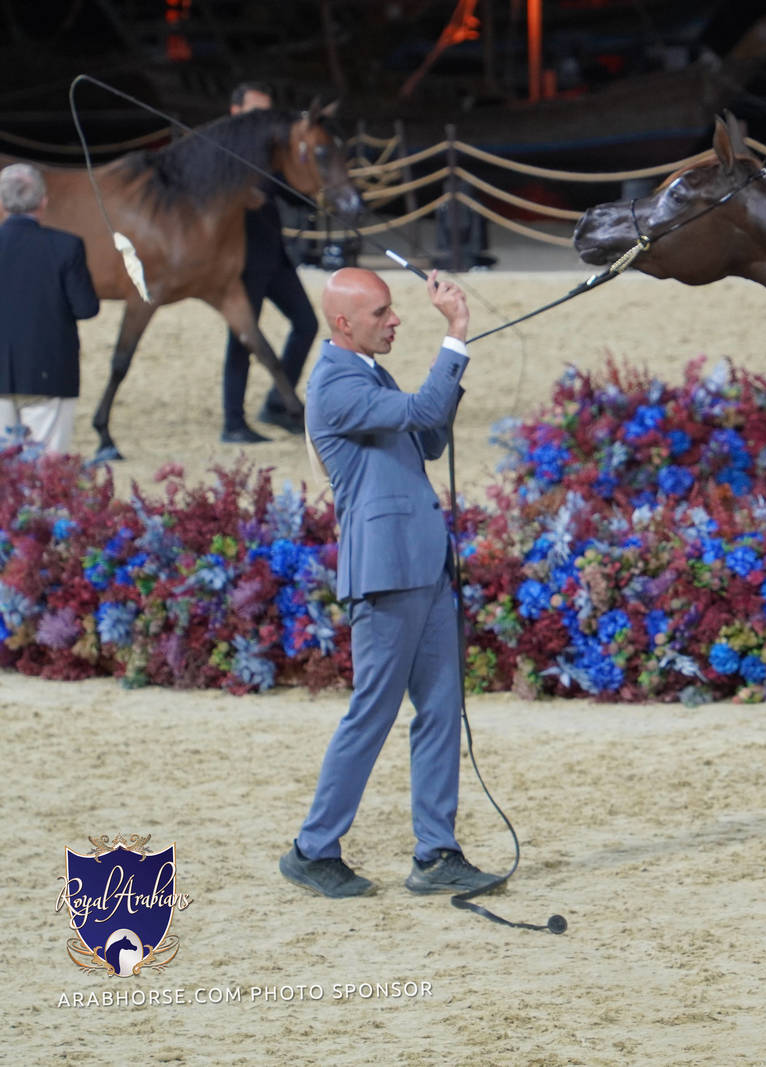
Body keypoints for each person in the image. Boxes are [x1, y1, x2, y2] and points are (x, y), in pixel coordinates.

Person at [280, 266, 497, 898]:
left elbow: (428, 437)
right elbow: (424, 411)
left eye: (392, 309)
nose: (395, 319)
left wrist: (445, 372)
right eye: (381, 313)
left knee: (441, 709)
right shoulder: (335, 383)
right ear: (343, 323)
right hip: (385, 570)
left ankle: (437, 851)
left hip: (420, 562)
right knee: (371, 712)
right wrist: (455, 333)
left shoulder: (371, 373)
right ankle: (312, 849)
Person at [220, 82, 318, 444]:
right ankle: (233, 423)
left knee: (306, 323)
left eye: (267, 114)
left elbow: (292, 193)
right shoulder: (222, 150)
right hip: (241, 260)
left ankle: (278, 403)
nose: (263, 120)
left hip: (274, 255)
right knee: (243, 338)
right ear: (235, 112)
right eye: (255, 113)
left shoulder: (270, 151)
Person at [0, 162, 100, 453]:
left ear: (2, 204)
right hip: (48, 372)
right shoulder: (67, 246)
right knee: (45, 472)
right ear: (43, 201)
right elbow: (86, 308)